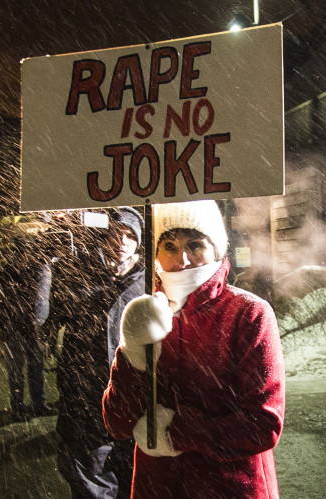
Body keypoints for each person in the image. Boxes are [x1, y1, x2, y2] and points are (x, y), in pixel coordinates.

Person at [102, 200, 286, 499]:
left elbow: (263, 425)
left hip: (230, 487)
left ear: (218, 249)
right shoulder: (146, 311)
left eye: (196, 245)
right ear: (156, 253)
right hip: (158, 486)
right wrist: (132, 352)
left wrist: (179, 433)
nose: (182, 260)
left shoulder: (248, 313)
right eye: (170, 246)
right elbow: (117, 423)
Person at [45, 207, 145, 499]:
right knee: (90, 482)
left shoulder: (149, 281)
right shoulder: (78, 273)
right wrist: (44, 264)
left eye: (130, 235)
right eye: (116, 233)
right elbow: (45, 321)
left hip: (135, 400)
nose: (122, 241)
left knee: (135, 481)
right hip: (85, 398)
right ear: (103, 236)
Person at [0, 237, 55, 422]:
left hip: (28, 327)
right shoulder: (8, 273)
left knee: (31, 367)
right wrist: (5, 325)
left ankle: (31, 405)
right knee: (23, 368)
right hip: (20, 327)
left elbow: (44, 300)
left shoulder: (36, 269)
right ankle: (22, 407)